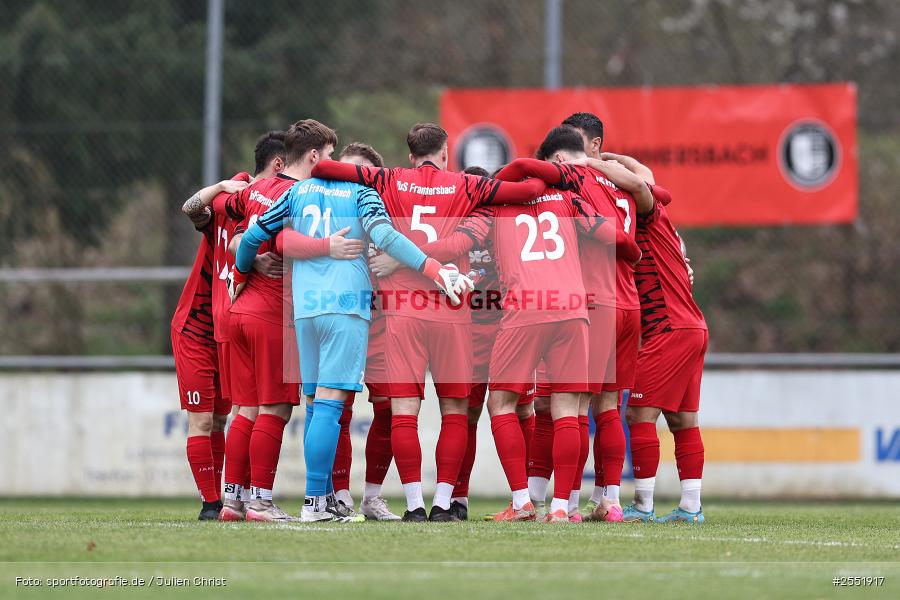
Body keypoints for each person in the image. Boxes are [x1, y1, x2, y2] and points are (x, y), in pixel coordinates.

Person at [232, 120, 471, 522]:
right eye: (329, 156)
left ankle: (320, 502)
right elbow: (388, 237)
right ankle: (314, 506)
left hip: (304, 311)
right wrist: (433, 267)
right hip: (346, 306)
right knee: (329, 407)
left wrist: (242, 272)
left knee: (315, 408)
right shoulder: (362, 192)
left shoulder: (295, 194)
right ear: (318, 156)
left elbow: (255, 236)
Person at [311, 123, 544, 521]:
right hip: (451, 311)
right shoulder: (466, 185)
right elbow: (531, 190)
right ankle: (442, 504)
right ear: (446, 152)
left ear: (410, 155)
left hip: (403, 310)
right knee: (455, 412)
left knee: (403, 412)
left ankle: (415, 505)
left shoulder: (388, 179)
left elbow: (324, 171)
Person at [457, 152, 641, 523]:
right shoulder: (567, 199)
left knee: (502, 404)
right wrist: (634, 252)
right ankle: (562, 508)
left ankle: (523, 502)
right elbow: (611, 235)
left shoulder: (493, 206)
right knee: (567, 411)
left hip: (525, 309)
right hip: (574, 311)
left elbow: (463, 246)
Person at [496, 123, 654, 522]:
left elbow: (519, 172)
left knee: (569, 407)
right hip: (627, 302)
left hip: (589, 301)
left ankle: (554, 502)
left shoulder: (570, 183)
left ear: (559, 158)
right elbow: (653, 197)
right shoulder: (626, 183)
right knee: (604, 407)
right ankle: (607, 501)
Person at [601, 153, 708, 524]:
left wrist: (588, 163)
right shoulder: (661, 220)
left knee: (638, 414)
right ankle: (691, 507)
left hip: (668, 329)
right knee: (683, 421)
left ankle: (643, 505)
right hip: (691, 327)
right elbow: (642, 174)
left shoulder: (646, 215)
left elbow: (638, 182)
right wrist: (612, 157)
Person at [172, 174, 249, 520]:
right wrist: (220, 186)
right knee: (201, 421)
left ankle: (224, 499)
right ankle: (210, 503)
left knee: (222, 420)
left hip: (227, 331)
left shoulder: (267, 209)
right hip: (195, 330)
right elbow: (190, 208)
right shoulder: (226, 205)